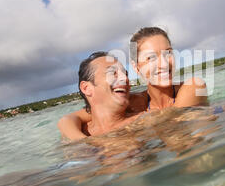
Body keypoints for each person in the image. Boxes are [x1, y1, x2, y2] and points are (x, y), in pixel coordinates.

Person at [58, 27, 208, 139]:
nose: (163, 63)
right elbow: (67, 120)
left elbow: (172, 122)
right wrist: (83, 143)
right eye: (151, 58)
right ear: (137, 68)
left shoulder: (193, 86)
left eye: (168, 53)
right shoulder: (134, 103)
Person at [59, 51, 141, 141]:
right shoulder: (74, 135)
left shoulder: (144, 122)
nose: (125, 78)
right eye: (112, 73)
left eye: (125, 74)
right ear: (86, 88)